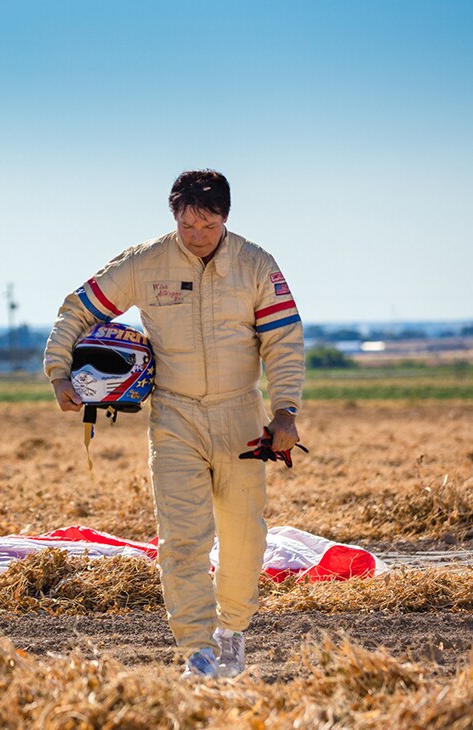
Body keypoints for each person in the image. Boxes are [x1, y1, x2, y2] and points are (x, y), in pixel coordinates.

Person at [42, 169, 305, 679]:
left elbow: (284, 341)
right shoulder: (145, 262)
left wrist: (285, 410)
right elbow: (77, 308)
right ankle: (198, 651)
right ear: (175, 218)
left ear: (226, 218)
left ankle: (232, 631)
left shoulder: (257, 265)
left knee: (244, 534)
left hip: (242, 418)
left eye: (206, 226)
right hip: (175, 416)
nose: (196, 236)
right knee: (182, 538)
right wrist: (59, 373)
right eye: (187, 226)